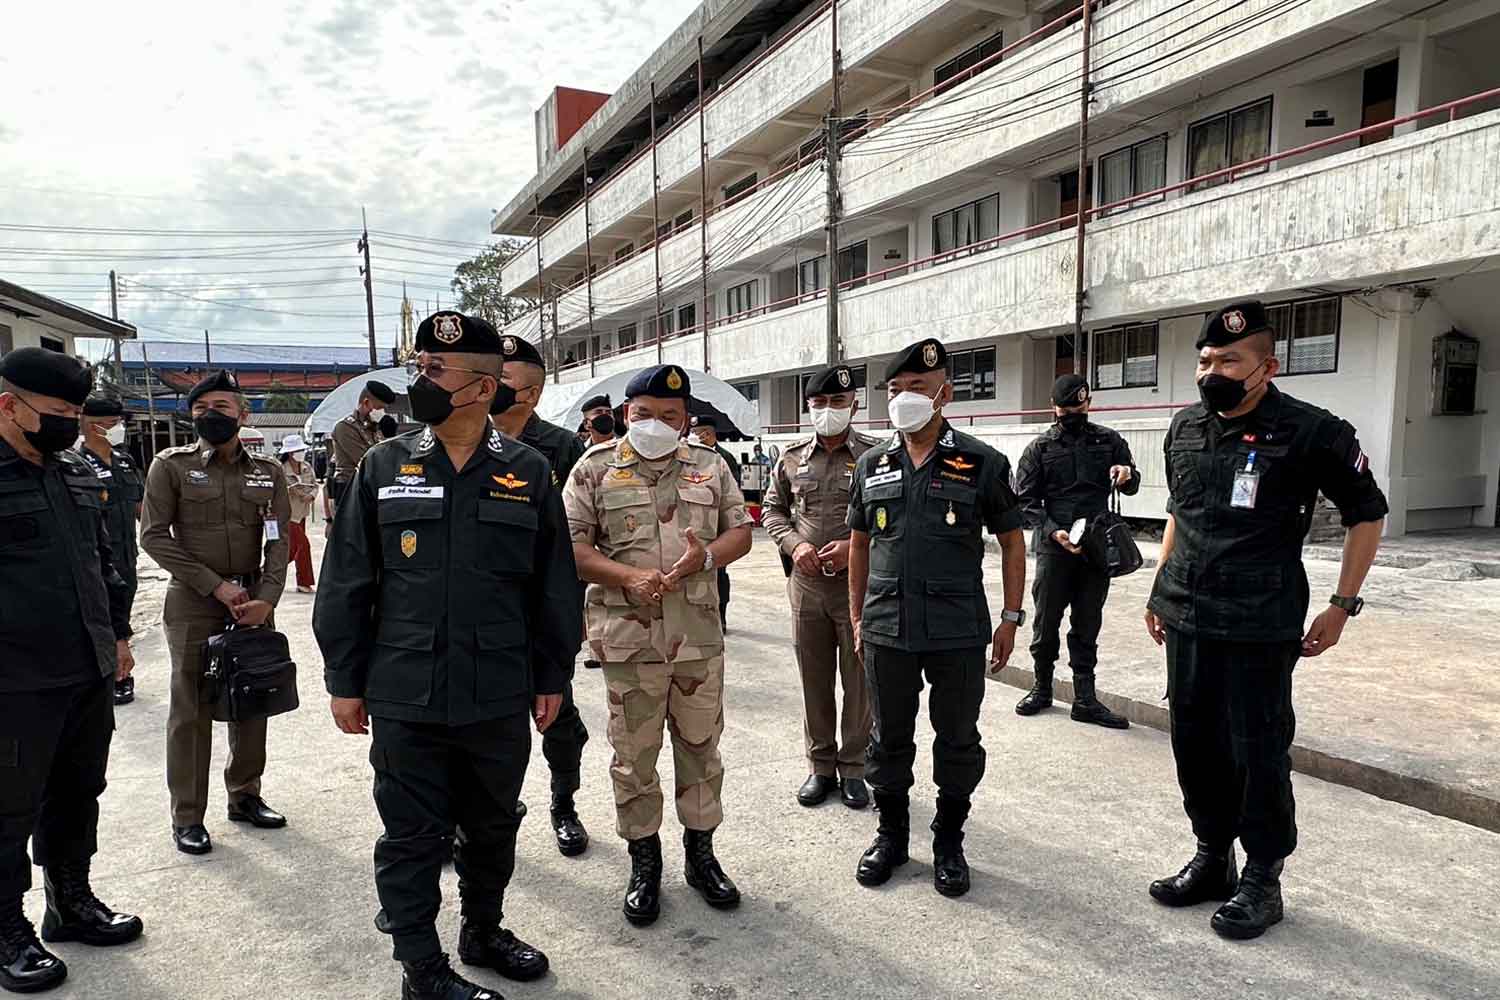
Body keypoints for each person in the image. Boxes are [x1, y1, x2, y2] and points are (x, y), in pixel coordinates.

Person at [314, 311, 581, 1000]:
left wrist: (552, 672)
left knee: (494, 825)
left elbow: (552, 584)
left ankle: (482, 932)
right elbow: (347, 578)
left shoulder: (527, 471)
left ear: (482, 387)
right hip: (406, 687)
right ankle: (422, 969)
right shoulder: (383, 464)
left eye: (436, 371)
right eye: (422, 366)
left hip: (497, 686)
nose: (421, 381)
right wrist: (344, 679)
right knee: (411, 836)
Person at [1144, 301, 1387, 940]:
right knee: (1193, 744)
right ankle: (1212, 857)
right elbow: (1179, 512)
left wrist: (1342, 604)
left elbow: (1368, 512)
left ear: (1267, 367)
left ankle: (1263, 877)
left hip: (1260, 621)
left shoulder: (1313, 431)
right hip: (1187, 614)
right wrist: (1158, 587)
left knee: (1257, 749)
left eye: (1228, 360)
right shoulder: (1185, 427)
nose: (1211, 371)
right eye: (1204, 360)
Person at [563, 365, 754, 927]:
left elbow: (740, 530)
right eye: (644, 414)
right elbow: (570, 548)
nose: (656, 424)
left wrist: (708, 557)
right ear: (627, 415)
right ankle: (644, 863)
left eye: (669, 416)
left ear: (685, 419)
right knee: (634, 758)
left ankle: (701, 857)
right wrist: (624, 576)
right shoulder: (594, 470)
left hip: (697, 640)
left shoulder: (710, 466)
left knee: (701, 749)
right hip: (630, 642)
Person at [847, 338, 1026, 899]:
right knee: (888, 740)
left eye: (917, 389)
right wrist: (857, 616)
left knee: (957, 740)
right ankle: (891, 836)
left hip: (957, 630)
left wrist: (1011, 617)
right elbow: (858, 544)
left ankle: (949, 839)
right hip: (886, 627)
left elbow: (1014, 543)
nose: (904, 399)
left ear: (943, 393)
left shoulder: (980, 461)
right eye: (896, 390)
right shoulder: (873, 463)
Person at [0, 348, 143, 995]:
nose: (71, 424)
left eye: (76, 413)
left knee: (78, 792)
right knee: (6, 810)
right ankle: (6, 929)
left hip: (83, 668)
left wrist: (117, 634)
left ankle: (71, 902)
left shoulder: (75, 470)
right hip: (13, 679)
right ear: (9, 406)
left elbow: (104, 559)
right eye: (59, 414)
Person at [140, 370, 291, 857]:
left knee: (253, 696)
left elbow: (278, 540)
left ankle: (244, 795)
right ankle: (187, 816)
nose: (212, 416)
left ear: (243, 415)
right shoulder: (172, 466)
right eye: (202, 409)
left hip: (252, 602)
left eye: (222, 408)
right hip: (194, 602)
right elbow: (154, 536)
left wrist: (267, 596)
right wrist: (216, 586)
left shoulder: (267, 472)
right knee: (191, 708)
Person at [488, 334, 592, 858]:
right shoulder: (460, 440)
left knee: (558, 717)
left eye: (503, 380)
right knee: (479, 728)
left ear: (528, 394)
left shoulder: (562, 448)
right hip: (484, 611)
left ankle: (563, 804)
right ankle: (476, 817)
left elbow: (580, 537)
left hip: (544, 611)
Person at [761, 364, 878, 809]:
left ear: (854, 405)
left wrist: (854, 546)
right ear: (808, 407)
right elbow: (772, 511)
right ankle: (820, 766)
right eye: (820, 403)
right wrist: (794, 546)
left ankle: (853, 768)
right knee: (814, 681)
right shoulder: (790, 457)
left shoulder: (875, 455)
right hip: (807, 586)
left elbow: (889, 519)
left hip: (857, 586)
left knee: (859, 682)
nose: (828, 411)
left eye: (838, 403)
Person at [1013, 374, 1138, 729]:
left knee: (1087, 623)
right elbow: (1025, 502)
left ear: (1089, 403)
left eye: (1078, 406)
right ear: (1054, 408)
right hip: (1056, 549)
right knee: (1046, 622)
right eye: (1067, 408)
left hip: (1097, 548)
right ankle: (1042, 689)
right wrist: (1054, 532)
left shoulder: (1109, 441)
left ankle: (1085, 699)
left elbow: (1132, 484)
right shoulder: (1039, 448)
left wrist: (1126, 475)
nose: (1073, 412)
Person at [77, 394, 147, 705]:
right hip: (93, 561)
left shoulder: (125, 460)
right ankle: (112, 678)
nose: (119, 429)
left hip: (126, 558)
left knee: (122, 618)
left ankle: (120, 671)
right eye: (113, 424)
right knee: (98, 619)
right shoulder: (75, 464)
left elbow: (141, 508)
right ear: (93, 425)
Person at [690, 415, 741, 630]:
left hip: (719, 527)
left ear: (709, 434)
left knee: (718, 571)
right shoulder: (691, 455)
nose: (695, 437)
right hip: (695, 526)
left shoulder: (724, 458)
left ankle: (721, 613)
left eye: (699, 432)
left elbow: (733, 495)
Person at [326, 379, 394, 520]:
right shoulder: (345, 428)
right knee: (353, 537)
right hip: (350, 488)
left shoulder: (374, 427)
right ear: (366, 402)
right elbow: (366, 459)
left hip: (369, 488)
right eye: (380, 407)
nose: (382, 412)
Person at [278, 434, 319, 594]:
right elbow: (276, 489)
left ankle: (264, 573)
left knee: (292, 549)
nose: (301, 452)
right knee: (303, 545)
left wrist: (312, 495)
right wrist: (292, 490)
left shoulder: (307, 467)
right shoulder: (281, 469)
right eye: (298, 450)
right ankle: (304, 581)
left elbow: (315, 485)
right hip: (288, 513)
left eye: (302, 449)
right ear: (290, 453)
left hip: (302, 512)